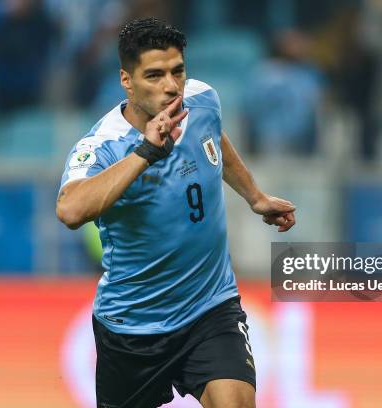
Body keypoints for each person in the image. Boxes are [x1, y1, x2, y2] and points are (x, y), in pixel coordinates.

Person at [56, 18, 296, 408]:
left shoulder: (202, 100)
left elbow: (212, 136)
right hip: (133, 327)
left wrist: (255, 196)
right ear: (126, 81)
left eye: (177, 71)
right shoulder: (104, 146)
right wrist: (145, 152)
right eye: (154, 75)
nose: (171, 85)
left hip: (210, 308)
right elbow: (69, 210)